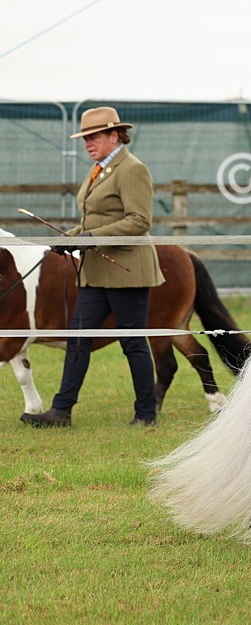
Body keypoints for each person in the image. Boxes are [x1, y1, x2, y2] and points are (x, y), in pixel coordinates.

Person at [21, 107, 165, 428]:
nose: (88, 143)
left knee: (132, 342)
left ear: (115, 135)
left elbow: (139, 221)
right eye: (85, 138)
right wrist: (69, 238)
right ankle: (61, 412)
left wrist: (90, 238)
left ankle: (146, 414)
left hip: (126, 271)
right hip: (95, 272)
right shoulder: (98, 170)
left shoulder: (132, 169)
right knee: (78, 337)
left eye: (94, 137)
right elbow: (93, 221)